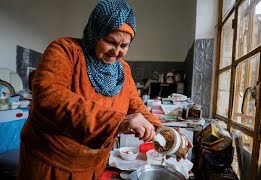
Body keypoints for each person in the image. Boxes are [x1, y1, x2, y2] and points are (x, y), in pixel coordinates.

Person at [17, 0, 191, 179]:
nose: (116, 52)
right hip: (50, 164)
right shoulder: (65, 51)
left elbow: (135, 106)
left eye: (124, 46)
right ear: (95, 33)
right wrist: (118, 122)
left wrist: (166, 133)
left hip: (93, 167)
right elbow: (49, 98)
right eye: (110, 41)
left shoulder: (123, 70)